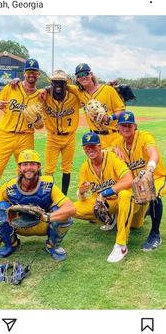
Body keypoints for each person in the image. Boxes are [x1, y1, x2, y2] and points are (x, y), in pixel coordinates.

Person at [0, 149, 75, 261]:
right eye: (25, 164)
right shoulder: (10, 187)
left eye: (32, 164)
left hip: (43, 224)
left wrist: (47, 217)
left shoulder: (47, 186)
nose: (28, 168)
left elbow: (71, 208)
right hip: (18, 225)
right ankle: (11, 244)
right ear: (19, 168)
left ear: (39, 167)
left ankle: (52, 245)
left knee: (63, 213)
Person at [74, 132, 134, 263]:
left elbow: (129, 180)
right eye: (86, 147)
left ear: (100, 146)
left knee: (126, 198)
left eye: (93, 146)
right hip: (106, 204)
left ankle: (121, 245)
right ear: (83, 149)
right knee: (72, 209)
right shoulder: (85, 167)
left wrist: (104, 193)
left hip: (124, 201)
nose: (90, 149)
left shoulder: (112, 158)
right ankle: (112, 219)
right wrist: (82, 193)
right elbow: (83, 199)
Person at [115, 110, 166, 251]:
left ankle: (155, 234)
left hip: (156, 176)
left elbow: (153, 152)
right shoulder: (118, 142)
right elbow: (105, 150)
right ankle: (145, 212)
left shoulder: (144, 137)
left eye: (129, 125)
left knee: (154, 195)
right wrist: (113, 148)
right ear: (118, 128)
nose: (126, 128)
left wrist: (150, 168)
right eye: (123, 125)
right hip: (137, 184)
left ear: (135, 126)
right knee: (135, 224)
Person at [0, 58, 41, 180]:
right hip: (6, 135)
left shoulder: (40, 95)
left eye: (34, 72)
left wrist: (39, 122)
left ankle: (24, 197)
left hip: (26, 137)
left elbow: (40, 123)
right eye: (29, 71)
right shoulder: (11, 87)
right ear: (24, 73)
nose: (31, 74)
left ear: (38, 74)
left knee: (27, 172)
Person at [68, 63, 125, 148]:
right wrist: (45, 90)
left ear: (91, 74)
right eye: (79, 75)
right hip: (94, 139)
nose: (83, 77)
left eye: (85, 73)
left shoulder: (108, 90)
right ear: (77, 78)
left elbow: (121, 110)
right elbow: (62, 85)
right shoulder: (79, 92)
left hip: (113, 136)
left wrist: (109, 118)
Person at [42, 69, 80, 195]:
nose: (58, 85)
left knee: (67, 169)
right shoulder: (44, 96)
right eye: (55, 82)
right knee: (49, 170)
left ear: (66, 84)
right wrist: (45, 89)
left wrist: (68, 86)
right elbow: (32, 93)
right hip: (52, 137)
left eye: (61, 82)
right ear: (51, 83)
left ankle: (63, 196)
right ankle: (48, 197)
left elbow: (83, 91)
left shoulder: (74, 97)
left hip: (70, 137)